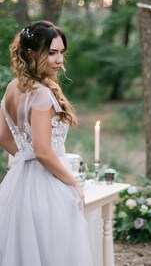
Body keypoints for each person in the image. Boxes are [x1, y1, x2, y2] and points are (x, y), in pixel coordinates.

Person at [0, 21, 93, 265]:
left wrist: (23, 159)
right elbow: (42, 151)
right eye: (52, 53)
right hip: (46, 186)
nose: (59, 60)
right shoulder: (40, 93)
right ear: (31, 53)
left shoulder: (11, 88)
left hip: (19, 183)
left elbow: (3, 136)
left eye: (61, 52)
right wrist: (73, 183)